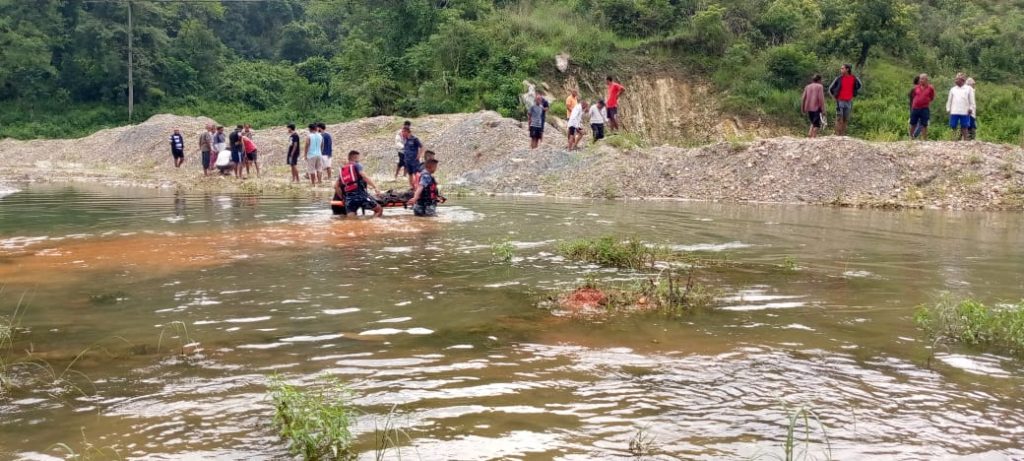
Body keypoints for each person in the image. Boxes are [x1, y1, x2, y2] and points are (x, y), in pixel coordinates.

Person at [336, 150, 383, 217]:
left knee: (351, 218)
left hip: (349, 198)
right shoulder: (356, 165)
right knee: (379, 210)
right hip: (360, 195)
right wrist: (375, 187)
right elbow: (364, 176)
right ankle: (371, 226)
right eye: (358, 159)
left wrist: (343, 199)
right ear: (354, 158)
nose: (359, 160)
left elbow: (336, 186)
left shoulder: (343, 170)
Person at [828, 64, 863, 136]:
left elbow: (859, 85)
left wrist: (854, 93)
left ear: (847, 69)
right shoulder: (839, 78)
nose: (841, 70)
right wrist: (834, 97)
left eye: (842, 68)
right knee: (839, 118)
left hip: (848, 101)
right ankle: (837, 134)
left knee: (845, 119)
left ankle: (842, 134)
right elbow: (831, 88)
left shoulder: (854, 78)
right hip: (840, 101)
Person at [946, 73, 975, 141]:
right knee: (953, 126)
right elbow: (949, 100)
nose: (955, 80)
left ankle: (966, 141)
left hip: (965, 111)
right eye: (955, 78)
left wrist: (971, 108)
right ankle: (953, 140)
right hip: (954, 111)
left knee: (965, 126)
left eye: (957, 79)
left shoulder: (969, 89)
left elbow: (972, 100)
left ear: (962, 80)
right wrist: (948, 109)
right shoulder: (953, 89)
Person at [909, 74, 936, 140]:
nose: (921, 80)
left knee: (924, 124)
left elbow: (932, 97)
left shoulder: (930, 88)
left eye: (922, 79)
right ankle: (910, 137)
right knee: (913, 123)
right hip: (915, 108)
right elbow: (913, 96)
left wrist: (925, 101)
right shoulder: (916, 88)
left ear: (926, 80)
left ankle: (924, 139)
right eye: (920, 79)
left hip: (924, 108)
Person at [400, 124, 425, 189]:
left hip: (414, 160)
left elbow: (421, 147)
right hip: (407, 160)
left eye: (403, 132)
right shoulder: (405, 140)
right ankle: (411, 186)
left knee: (416, 174)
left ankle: (418, 186)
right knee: (410, 174)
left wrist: (419, 155)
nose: (402, 133)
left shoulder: (414, 139)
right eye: (402, 132)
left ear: (407, 132)